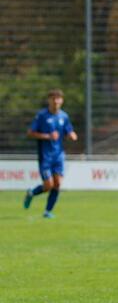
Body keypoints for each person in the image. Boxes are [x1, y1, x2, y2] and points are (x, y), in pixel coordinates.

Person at [23, 89, 78, 218]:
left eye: (58, 98)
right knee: (48, 185)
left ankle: (47, 211)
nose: (55, 101)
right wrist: (48, 136)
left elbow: (69, 130)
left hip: (58, 155)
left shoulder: (64, 116)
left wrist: (72, 135)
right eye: (53, 98)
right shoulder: (42, 116)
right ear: (49, 100)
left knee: (58, 184)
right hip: (45, 156)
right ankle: (31, 193)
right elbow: (30, 133)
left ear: (62, 101)